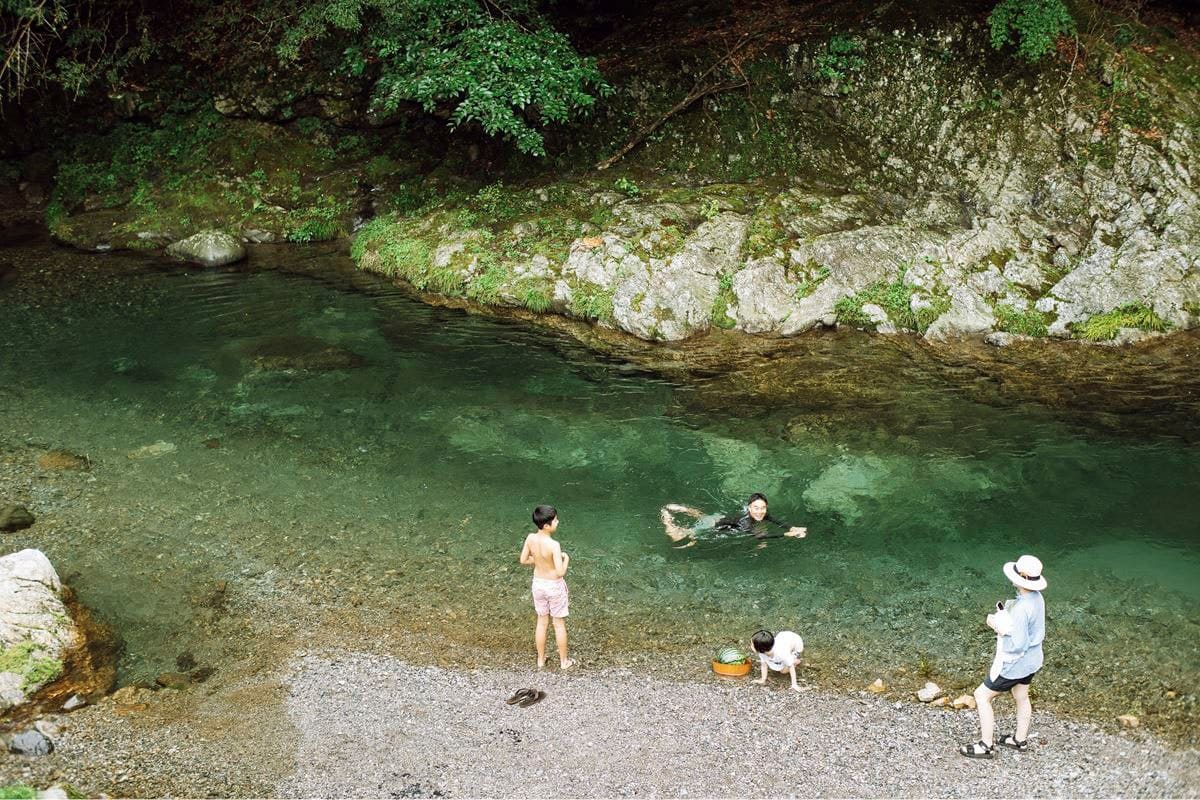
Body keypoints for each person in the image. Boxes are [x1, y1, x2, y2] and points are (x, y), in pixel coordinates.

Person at [959, 554, 1047, 759]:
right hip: (1033, 661)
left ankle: (986, 745)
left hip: (1016, 664)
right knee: (1021, 695)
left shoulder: (1021, 609)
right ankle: (1019, 740)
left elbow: (1018, 645)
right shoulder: (1037, 598)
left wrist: (999, 627)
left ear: (1020, 577)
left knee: (982, 696)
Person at [519, 504, 575, 671]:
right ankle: (564, 661)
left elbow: (523, 560)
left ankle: (541, 659)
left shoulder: (530, 538)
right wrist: (566, 559)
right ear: (546, 525)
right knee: (558, 624)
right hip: (553, 586)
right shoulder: (554, 545)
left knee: (542, 622)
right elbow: (559, 572)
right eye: (555, 520)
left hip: (538, 584)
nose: (558, 521)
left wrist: (537, 560)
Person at [660, 492, 806, 546]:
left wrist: (791, 528)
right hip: (714, 525)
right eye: (756, 508)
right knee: (677, 537)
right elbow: (761, 537)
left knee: (704, 517)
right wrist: (785, 535)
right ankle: (667, 518)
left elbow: (776, 520)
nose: (760, 511)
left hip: (722, 518)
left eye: (763, 507)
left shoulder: (762, 514)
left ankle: (685, 509)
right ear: (749, 508)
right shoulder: (746, 522)